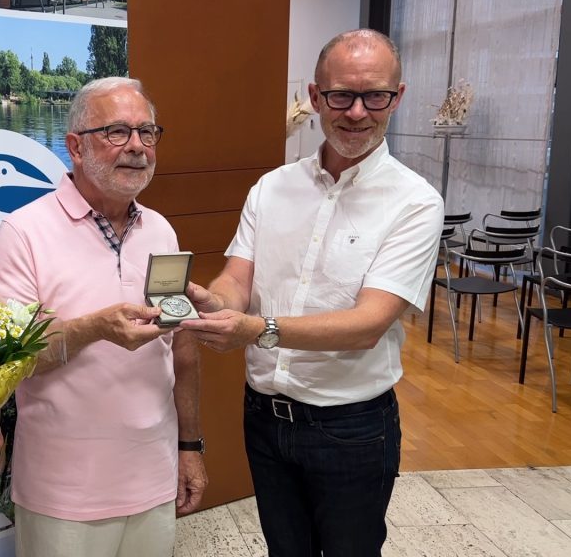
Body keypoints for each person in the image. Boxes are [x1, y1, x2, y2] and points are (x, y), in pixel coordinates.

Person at [180, 29, 444, 556]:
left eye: (376, 96)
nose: (357, 113)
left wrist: (256, 329)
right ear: (315, 97)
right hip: (265, 418)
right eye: (341, 96)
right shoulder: (272, 187)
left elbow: (369, 324)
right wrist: (218, 304)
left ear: (399, 96)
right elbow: (238, 278)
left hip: (352, 427)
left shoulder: (415, 203)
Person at [0, 77, 206, 557]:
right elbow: (2, 361)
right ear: (75, 148)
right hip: (63, 490)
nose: (137, 148)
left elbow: (181, 349)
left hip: (154, 474)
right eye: (117, 132)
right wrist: (92, 329)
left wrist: (191, 447)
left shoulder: (161, 230)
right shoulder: (24, 232)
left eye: (147, 133)